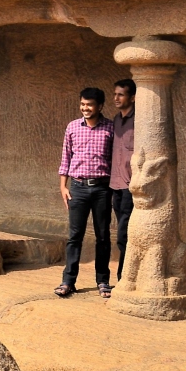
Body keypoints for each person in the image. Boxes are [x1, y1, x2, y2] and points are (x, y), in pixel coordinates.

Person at [56, 87, 114, 299]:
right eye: (83, 104)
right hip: (78, 188)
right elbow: (66, 158)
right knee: (74, 236)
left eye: (89, 105)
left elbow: (115, 160)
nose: (85, 108)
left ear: (99, 106)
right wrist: (63, 186)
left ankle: (103, 281)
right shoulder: (72, 127)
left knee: (103, 236)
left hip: (102, 188)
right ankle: (68, 281)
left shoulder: (110, 128)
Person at [110, 79, 137, 281]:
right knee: (122, 231)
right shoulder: (116, 121)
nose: (116, 98)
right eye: (115, 94)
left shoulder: (139, 121)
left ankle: (124, 278)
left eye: (121, 94)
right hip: (115, 185)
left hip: (130, 186)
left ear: (132, 98)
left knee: (124, 235)